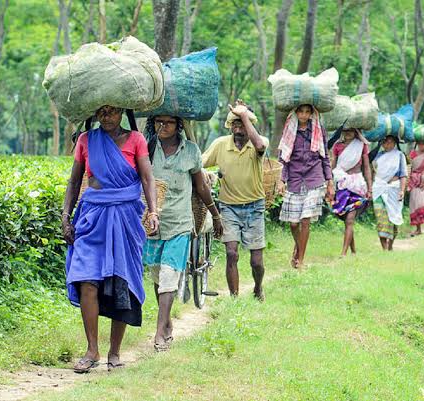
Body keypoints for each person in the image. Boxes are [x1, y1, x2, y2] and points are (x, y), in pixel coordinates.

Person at [62, 105, 158, 373]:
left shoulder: (137, 140)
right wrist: (65, 216)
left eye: (112, 111)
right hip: (92, 216)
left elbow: (148, 178)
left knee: (121, 283)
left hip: (125, 217)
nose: (107, 117)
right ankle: (92, 350)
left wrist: (153, 211)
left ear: (122, 113)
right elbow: (74, 181)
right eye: (102, 112)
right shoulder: (86, 140)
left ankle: (114, 352)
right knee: (86, 280)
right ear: (95, 113)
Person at [142, 115, 223, 352]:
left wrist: (215, 215)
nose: (162, 126)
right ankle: (166, 324)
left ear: (179, 126)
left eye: (168, 122)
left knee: (169, 274)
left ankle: (159, 332)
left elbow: (201, 186)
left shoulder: (190, 151)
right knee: (158, 276)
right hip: (154, 224)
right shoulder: (147, 147)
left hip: (180, 223)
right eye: (159, 122)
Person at [202, 100, 268, 300]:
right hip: (228, 207)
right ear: (230, 126)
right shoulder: (221, 144)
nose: (239, 128)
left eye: (243, 124)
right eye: (235, 124)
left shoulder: (258, 142)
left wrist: (245, 114)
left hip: (255, 207)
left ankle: (258, 288)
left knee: (256, 261)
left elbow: (259, 145)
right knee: (232, 253)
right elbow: (200, 163)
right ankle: (235, 298)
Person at [277, 104, 334, 268]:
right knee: (293, 223)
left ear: (311, 114)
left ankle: (300, 260)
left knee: (305, 220)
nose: (303, 115)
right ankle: (298, 247)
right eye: (300, 111)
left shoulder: (317, 130)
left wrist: (330, 181)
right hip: (295, 179)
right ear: (296, 112)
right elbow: (283, 157)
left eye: (307, 112)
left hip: (314, 178)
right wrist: (282, 180)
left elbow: (325, 157)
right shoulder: (290, 129)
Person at [330, 127, 372, 256]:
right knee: (346, 218)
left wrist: (370, 188)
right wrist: (329, 185)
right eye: (345, 130)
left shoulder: (361, 146)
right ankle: (353, 251)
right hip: (342, 184)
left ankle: (343, 253)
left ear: (356, 132)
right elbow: (332, 166)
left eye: (351, 130)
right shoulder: (337, 146)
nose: (348, 133)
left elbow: (366, 167)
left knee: (350, 219)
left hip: (357, 184)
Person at [369, 135, 408, 251]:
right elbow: (372, 171)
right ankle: (384, 248)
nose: (387, 145)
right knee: (380, 217)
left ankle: (390, 245)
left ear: (395, 143)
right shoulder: (377, 156)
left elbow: (403, 174)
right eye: (385, 142)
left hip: (394, 189)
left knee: (393, 219)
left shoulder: (400, 156)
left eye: (390, 142)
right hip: (379, 189)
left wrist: (402, 190)